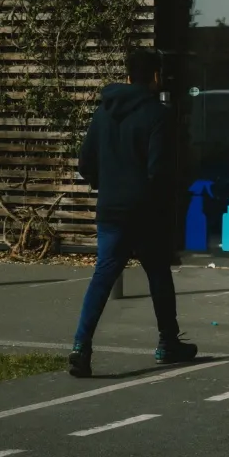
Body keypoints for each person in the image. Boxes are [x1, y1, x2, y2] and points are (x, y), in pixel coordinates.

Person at [69, 49, 197, 377]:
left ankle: (81, 347)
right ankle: (168, 342)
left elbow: (85, 164)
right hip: (146, 212)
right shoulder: (158, 115)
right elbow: (160, 172)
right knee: (158, 275)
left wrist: (108, 184)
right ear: (155, 77)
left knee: (102, 276)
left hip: (111, 209)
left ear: (127, 76)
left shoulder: (103, 112)